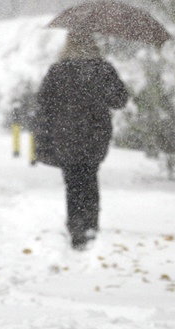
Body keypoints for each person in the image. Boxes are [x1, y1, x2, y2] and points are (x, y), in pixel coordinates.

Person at [34, 31, 129, 250]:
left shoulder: (58, 70)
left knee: (72, 180)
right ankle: (90, 225)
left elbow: (43, 101)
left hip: (65, 135)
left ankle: (76, 226)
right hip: (95, 135)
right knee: (89, 177)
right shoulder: (103, 69)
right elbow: (120, 100)